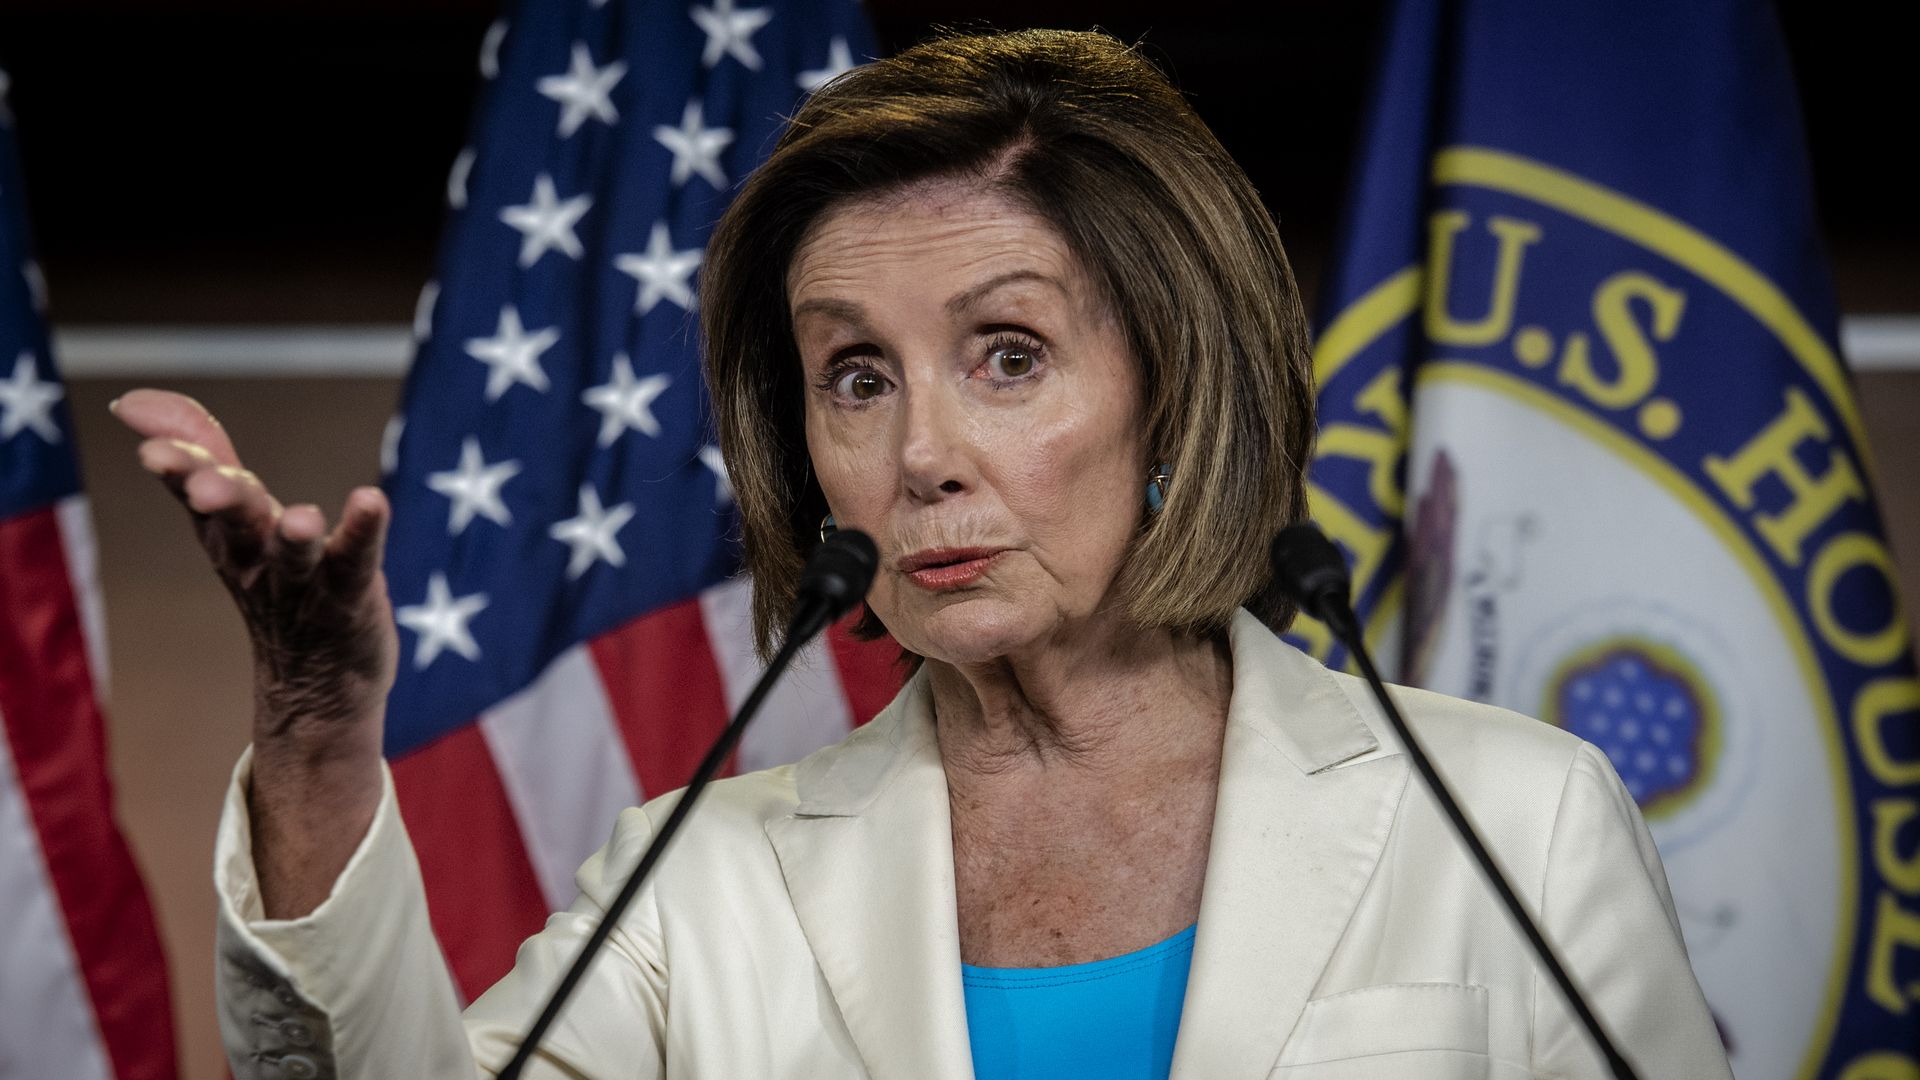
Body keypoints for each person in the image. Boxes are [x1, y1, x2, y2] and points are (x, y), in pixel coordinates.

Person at [113, 28, 1732, 1080]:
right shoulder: (704, 885)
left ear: (1175, 390)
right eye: (856, 376)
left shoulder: (1513, 823)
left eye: (1007, 354)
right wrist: (320, 751)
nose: (922, 453)